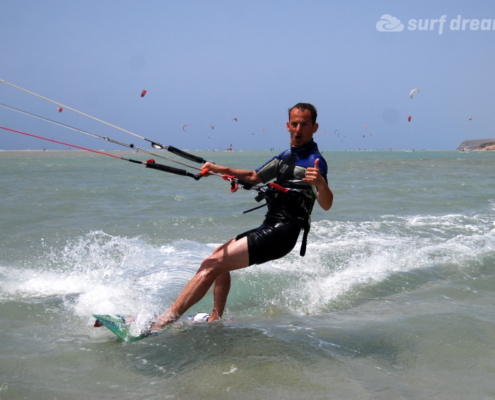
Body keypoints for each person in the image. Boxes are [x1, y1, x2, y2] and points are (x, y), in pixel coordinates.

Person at [150, 103, 333, 331]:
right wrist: (219, 169)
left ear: (314, 127)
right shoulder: (286, 156)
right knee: (219, 256)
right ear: (287, 125)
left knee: (211, 264)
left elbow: (326, 204)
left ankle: (163, 322)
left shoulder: (315, 162)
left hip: (282, 233)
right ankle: (215, 319)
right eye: (294, 124)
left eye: (304, 124)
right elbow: (254, 176)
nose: (298, 129)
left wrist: (321, 184)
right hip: (271, 226)